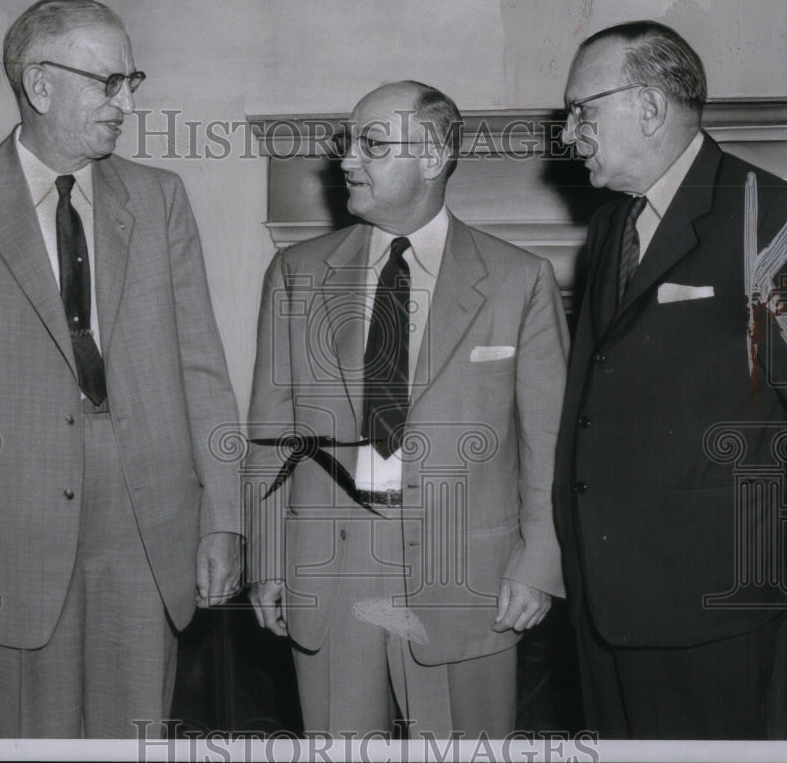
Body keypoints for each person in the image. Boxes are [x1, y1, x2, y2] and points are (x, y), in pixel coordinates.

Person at [0, 0, 242, 738]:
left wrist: (226, 518)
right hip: (9, 538)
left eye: (131, 81)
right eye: (108, 81)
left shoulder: (161, 200)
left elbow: (203, 371)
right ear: (40, 85)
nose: (126, 102)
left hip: (150, 529)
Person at [244, 81, 569, 737]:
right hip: (330, 577)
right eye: (348, 141)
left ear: (432, 155)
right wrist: (269, 561)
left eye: (371, 142)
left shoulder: (519, 278)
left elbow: (549, 441)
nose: (346, 160)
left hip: (469, 578)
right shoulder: (295, 273)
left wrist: (540, 563)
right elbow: (272, 435)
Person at [553, 21, 787, 739]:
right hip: (602, 601)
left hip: (704, 605)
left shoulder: (768, 214)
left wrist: (777, 525)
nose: (570, 134)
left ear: (648, 106)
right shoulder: (612, 228)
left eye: (582, 111)